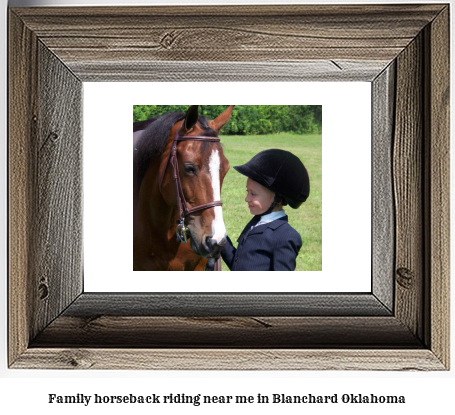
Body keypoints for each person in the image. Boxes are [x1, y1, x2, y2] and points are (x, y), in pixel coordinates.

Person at [221, 149, 310, 271]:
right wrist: (220, 237)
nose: (247, 198)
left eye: (253, 194)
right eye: (248, 192)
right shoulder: (257, 223)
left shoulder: (285, 237)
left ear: (277, 198)